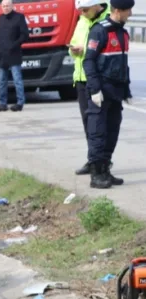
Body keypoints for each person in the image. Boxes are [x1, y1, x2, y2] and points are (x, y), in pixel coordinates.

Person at [82, 0, 134, 189]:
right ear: (118, 11)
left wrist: (126, 90)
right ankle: (96, 175)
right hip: (101, 91)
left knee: (112, 133)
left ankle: (105, 170)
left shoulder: (123, 33)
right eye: (128, 11)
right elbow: (88, 62)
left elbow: (123, 64)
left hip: (116, 92)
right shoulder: (100, 31)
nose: (130, 15)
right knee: (98, 133)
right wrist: (95, 89)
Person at [71, 0, 111, 177]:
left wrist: (86, 51)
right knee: (88, 124)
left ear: (97, 6)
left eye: (84, 9)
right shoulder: (82, 21)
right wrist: (73, 50)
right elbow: (72, 44)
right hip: (80, 78)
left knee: (101, 126)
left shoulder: (107, 21)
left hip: (97, 80)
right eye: (80, 10)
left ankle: (103, 163)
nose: (82, 13)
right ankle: (92, 160)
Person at [0, 0, 30, 111]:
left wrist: (14, 45)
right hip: (2, 54)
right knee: (2, 80)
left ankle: (20, 103)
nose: (5, 8)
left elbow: (25, 35)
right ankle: (2, 103)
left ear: (12, 6)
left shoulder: (19, 17)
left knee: (17, 79)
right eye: (3, 6)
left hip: (14, 53)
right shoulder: (0, 18)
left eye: (7, 6)